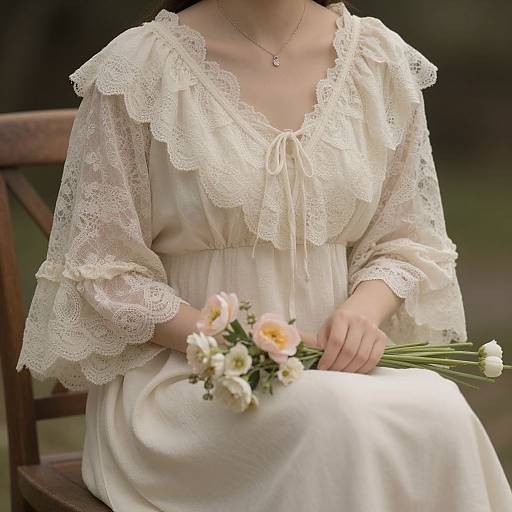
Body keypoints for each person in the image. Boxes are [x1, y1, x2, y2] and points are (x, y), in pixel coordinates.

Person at [16, 0, 512, 510]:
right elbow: (104, 273)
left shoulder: (379, 60)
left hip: (338, 370)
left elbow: (406, 241)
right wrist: (234, 340)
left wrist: (364, 313)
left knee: (441, 410)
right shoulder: (138, 69)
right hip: (188, 382)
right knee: (334, 420)